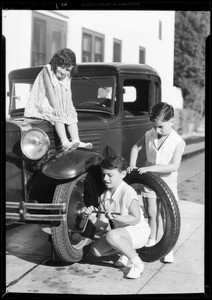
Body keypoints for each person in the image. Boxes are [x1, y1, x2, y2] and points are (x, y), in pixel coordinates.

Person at [127, 102, 186, 263]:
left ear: (172, 121)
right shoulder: (150, 134)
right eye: (155, 126)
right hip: (150, 182)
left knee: (168, 216)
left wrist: (151, 168)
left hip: (167, 184)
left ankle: (168, 248)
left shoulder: (177, 141)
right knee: (151, 213)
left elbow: (174, 165)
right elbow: (135, 148)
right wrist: (132, 165)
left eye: (161, 127)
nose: (158, 130)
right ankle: (152, 241)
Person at [84, 154, 150, 279]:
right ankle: (125, 253)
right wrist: (93, 218)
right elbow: (105, 228)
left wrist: (116, 218)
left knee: (112, 236)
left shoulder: (127, 191)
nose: (105, 179)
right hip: (121, 234)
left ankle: (137, 263)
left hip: (138, 232)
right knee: (96, 251)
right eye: (103, 174)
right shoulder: (104, 196)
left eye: (110, 175)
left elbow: (135, 219)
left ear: (123, 174)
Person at [24, 48, 93, 150]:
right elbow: (50, 90)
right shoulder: (47, 69)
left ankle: (76, 140)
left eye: (68, 69)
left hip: (61, 102)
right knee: (57, 115)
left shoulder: (68, 74)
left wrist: (68, 106)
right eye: (61, 67)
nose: (64, 72)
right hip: (45, 101)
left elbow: (68, 91)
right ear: (56, 63)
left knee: (71, 115)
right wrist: (57, 107)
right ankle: (64, 141)